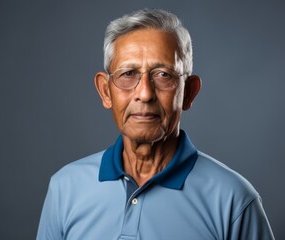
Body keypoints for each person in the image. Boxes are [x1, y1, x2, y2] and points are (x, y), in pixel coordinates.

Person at [36, 9, 274, 240]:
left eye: (163, 75)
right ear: (105, 91)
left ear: (189, 92)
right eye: (128, 73)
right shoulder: (65, 188)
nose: (145, 94)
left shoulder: (235, 201)